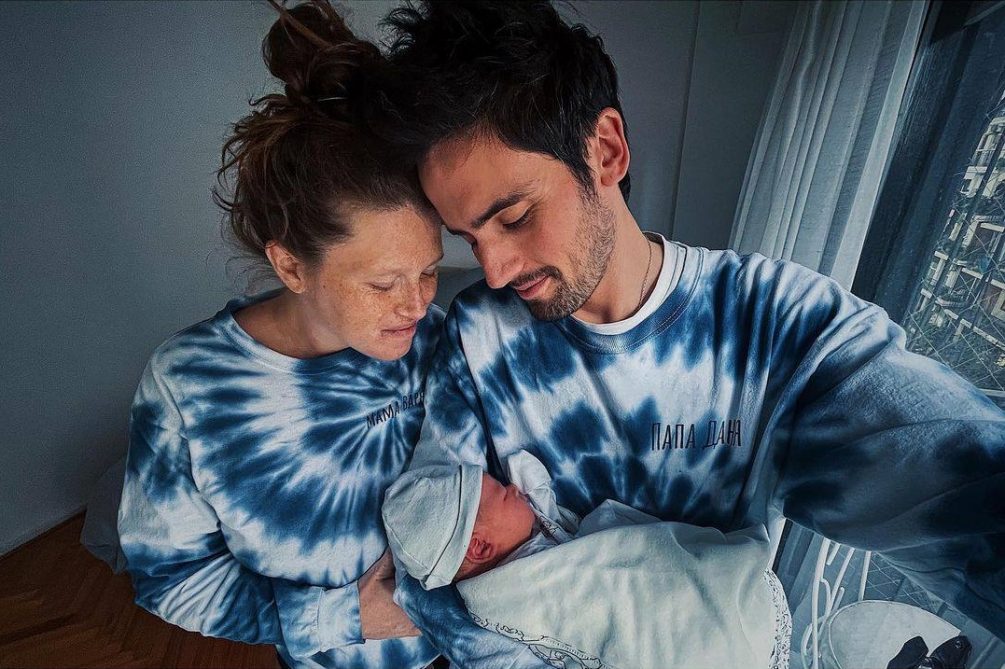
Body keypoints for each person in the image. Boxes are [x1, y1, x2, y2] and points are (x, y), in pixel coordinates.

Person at [374, 1, 1005, 666]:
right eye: (469, 238)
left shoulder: (771, 327)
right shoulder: (476, 336)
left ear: (605, 150)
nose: (495, 271)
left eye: (514, 217)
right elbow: (434, 573)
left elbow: (967, 490)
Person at [116, 3, 444, 668]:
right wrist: (346, 616)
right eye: (383, 283)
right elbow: (168, 578)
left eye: (430, 271)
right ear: (291, 265)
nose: (416, 304)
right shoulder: (190, 387)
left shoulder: (435, 338)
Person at [382, 453, 790, 669]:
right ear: (480, 549)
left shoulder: (518, 543)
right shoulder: (510, 593)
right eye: (503, 494)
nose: (513, 489)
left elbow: (554, 516)